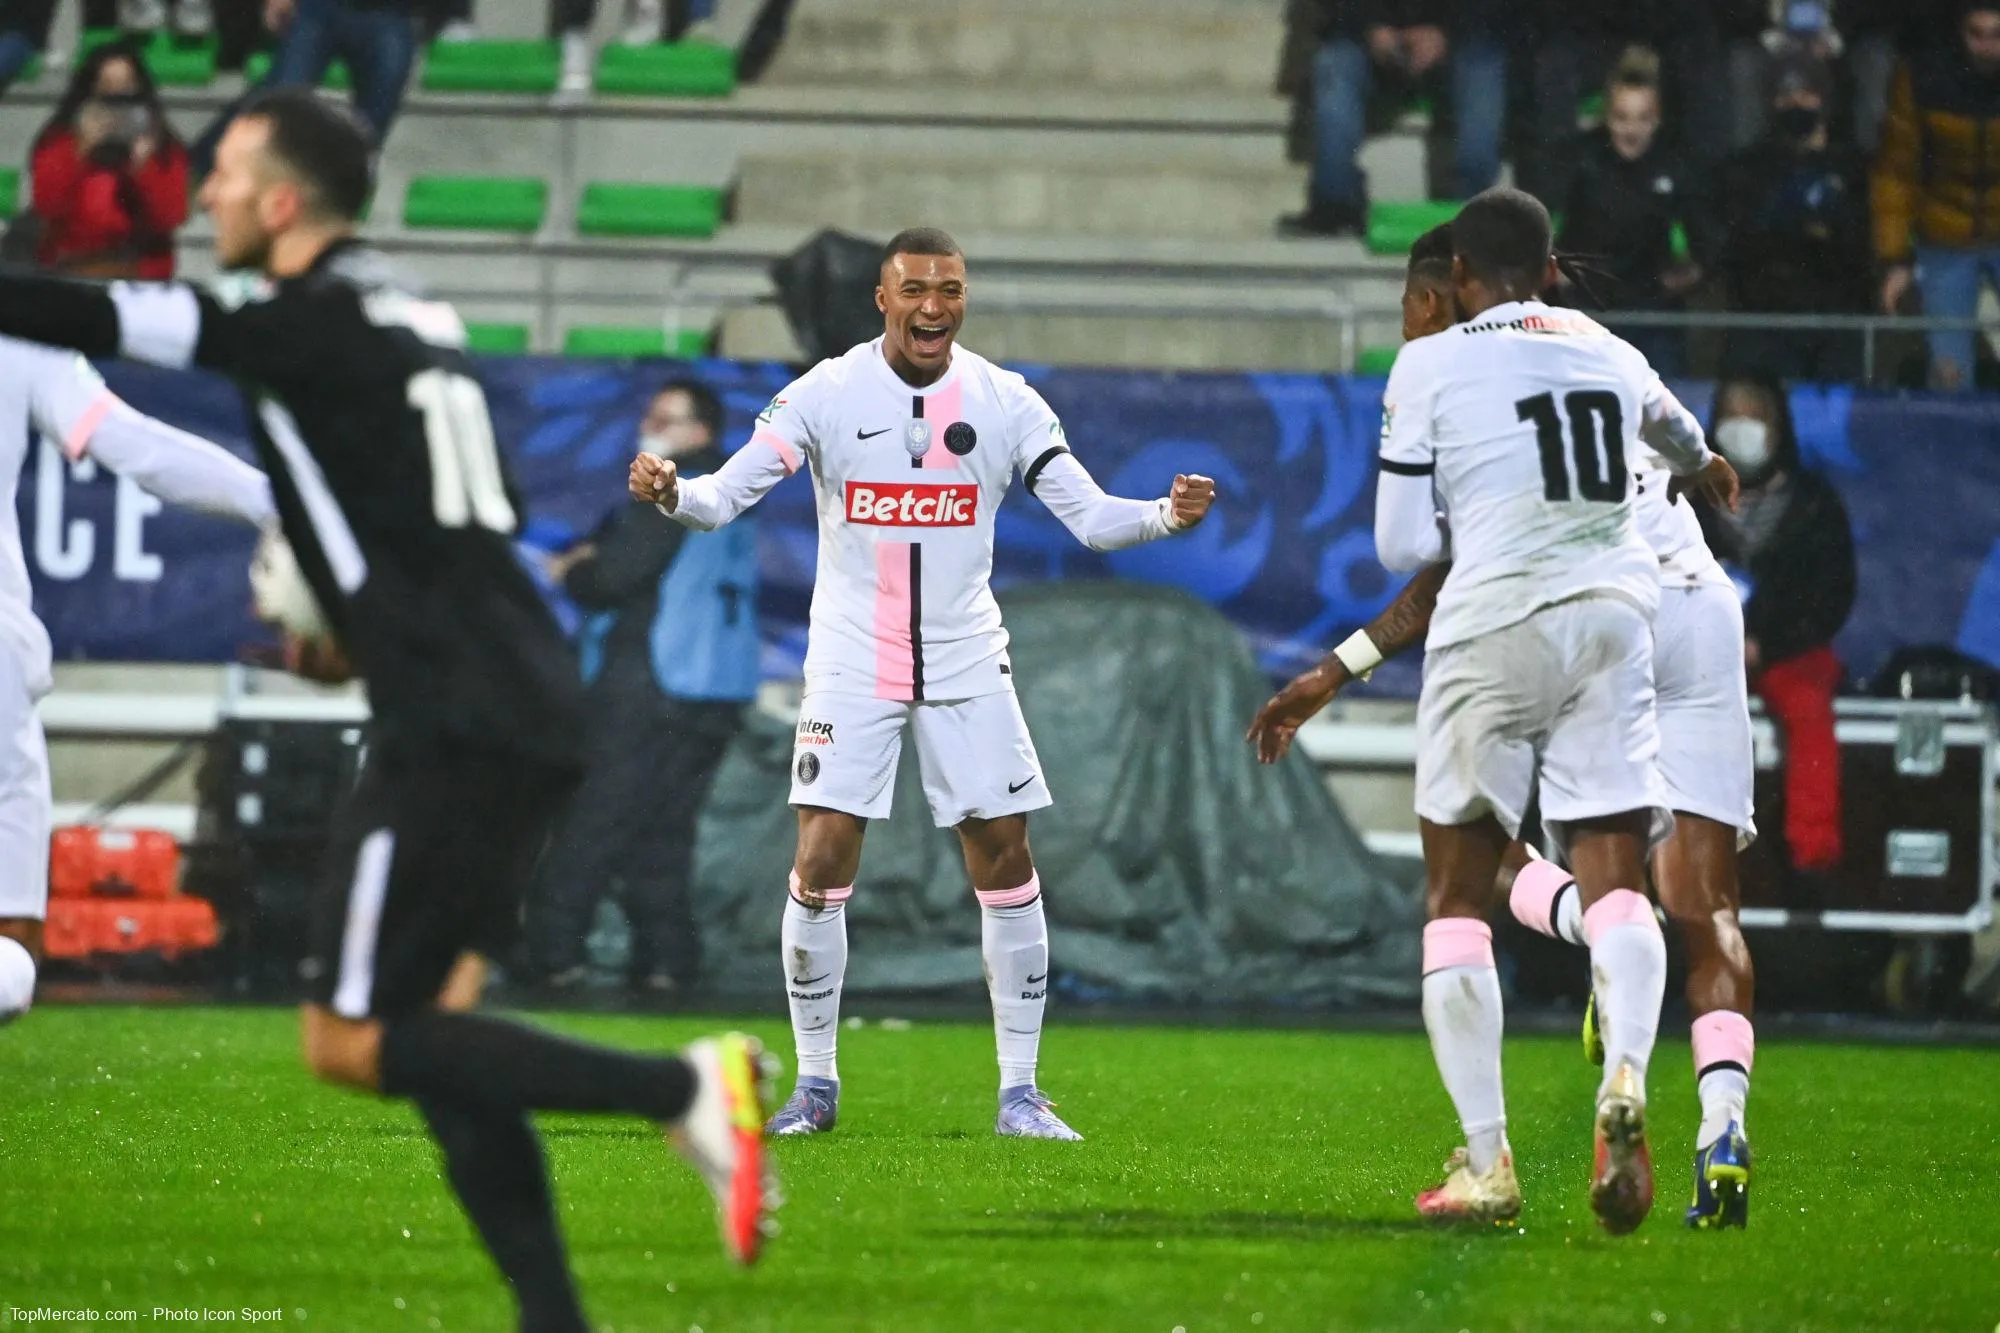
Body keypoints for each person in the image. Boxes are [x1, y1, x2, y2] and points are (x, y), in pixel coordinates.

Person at [0, 88, 778, 1324]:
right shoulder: (414, 308)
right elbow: (454, 516)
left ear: (284, 197)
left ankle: (681, 1088)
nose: (203, 196)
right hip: (511, 690)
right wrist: (364, 631)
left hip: (452, 720)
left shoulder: (289, 322)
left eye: (227, 174)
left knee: (349, 1040)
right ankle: (553, 1314)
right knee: (437, 1026)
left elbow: (84, 310)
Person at [628, 227, 1216, 1142]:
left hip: (965, 656)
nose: (933, 306)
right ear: (882, 297)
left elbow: (1093, 520)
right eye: (916, 290)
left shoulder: (1007, 400)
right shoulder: (825, 393)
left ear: (964, 299)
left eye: (949, 289)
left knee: (1005, 854)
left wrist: (1162, 517)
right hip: (853, 657)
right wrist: (674, 492)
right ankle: (815, 1085)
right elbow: (725, 496)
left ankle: (1021, 1093)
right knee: (822, 858)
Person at [1250, 219, 1762, 1231]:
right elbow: (1682, 440)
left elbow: (1412, 551)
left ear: (1443, 285)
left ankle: (1486, 1159)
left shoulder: (1438, 364)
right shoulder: (1607, 351)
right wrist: (1704, 466)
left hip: (1505, 614)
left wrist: (1336, 665)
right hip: (1662, 610)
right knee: (1671, 892)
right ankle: (1669, 1094)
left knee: (1459, 880)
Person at [0, 342, 276, 1025]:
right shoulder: (21, 336)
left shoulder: (19, 334)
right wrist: (284, 505)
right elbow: (135, 445)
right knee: (11, 963)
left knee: (14, 958)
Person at [531, 378, 756, 995]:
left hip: (651, 679)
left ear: (700, 432)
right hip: (712, 690)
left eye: (667, 417)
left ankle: (552, 955)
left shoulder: (672, 492)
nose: (649, 425)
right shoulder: (736, 492)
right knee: (663, 828)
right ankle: (667, 960)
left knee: (596, 817)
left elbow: (615, 576)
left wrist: (575, 570)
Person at [1696, 373, 1855, 877]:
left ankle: (1813, 853)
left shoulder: (1812, 503)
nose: (1741, 431)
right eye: (1731, 420)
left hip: (1788, 652)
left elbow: (1831, 593)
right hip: (1701, 654)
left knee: (1809, 711)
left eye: (1753, 420)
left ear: (1777, 426)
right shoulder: (1689, 498)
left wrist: (1766, 642)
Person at [1711, 46, 1874, 382]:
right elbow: (1737, 247)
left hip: (1836, 323)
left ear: (1824, 99)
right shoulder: (1748, 168)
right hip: (1766, 322)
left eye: (1806, 93)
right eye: (1785, 95)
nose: (1795, 104)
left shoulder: (1853, 168)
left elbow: (1861, 247)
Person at [1278, 0, 1505, 237]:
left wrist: (1444, 32)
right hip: (1363, 31)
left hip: (1468, 32)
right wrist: (1371, 26)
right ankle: (1335, 204)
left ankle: (1469, 207)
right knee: (1334, 68)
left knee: (1483, 72)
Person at [1551, 47, 1709, 377]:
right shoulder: (1581, 161)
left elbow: (1705, 239)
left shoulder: (1675, 166)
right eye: (1622, 117)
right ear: (1607, 117)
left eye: (1642, 118)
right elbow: (1545, 229)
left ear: (1657, 119)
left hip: (1652, 312)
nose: (1631, 129)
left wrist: (1686, 274)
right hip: (1586, 310)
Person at [1873, 0, 2000, 389]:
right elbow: (1896, 168)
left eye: (1997, 35)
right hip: (1943, 235)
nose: (1987, 46)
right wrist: (1895, 258)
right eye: (1976, 35)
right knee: (1949, 375)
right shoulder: (1924, 77)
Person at [26, 40, 190, 280]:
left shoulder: (161, 144)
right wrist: (79, 151)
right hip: (71, 270)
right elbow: (47, 206)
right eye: (106, 86)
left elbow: (171, 217)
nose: (117, 97)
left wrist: (144, 168)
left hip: (140, 274)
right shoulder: (61, 140)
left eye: (126, 86)